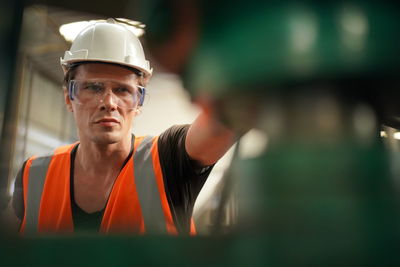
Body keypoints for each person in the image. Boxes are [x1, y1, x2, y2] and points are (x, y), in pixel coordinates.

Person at [11, 19, 236, 234]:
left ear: (138, 103)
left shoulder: (168, 159)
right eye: (93, 88)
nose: (109, 103)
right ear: (69, 98)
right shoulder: (34, 174)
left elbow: (227, 120)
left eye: (122, 90)